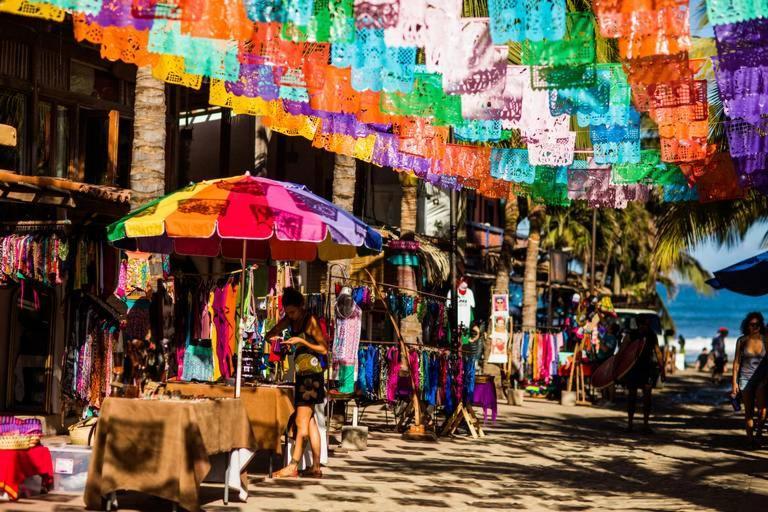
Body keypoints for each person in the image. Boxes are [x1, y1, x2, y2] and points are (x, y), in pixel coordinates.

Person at [267, 287, 329, 478]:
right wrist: (274, 339)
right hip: (302, 375)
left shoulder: (310, 321)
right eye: (288, 312)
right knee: (311, 422)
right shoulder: (290, 320)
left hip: (312, 376)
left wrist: (301, 343)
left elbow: (324, 349)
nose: (291, 316)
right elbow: (270, 333)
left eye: (293, 312)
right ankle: (316, 468)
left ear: (301, 306)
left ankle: (293, 465)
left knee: (301, 423)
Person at [622, 316, 665, 433]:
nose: (645, 327)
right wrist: (618, 369)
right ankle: (630, 424)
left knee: (647, 398)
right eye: (643, 324)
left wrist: (662, 369)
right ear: (638, 324)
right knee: (632, 397)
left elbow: (658, 352)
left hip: (647, 369)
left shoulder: (652, 335)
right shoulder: (631, 335)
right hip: (633, 369)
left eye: (647, 325)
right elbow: (622, 352)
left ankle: (645, 424)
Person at [730, 312, 768, 447]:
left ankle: (758, 435)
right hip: (745, 379)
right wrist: (734, 383)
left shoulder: (765, 340)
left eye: (758, 324)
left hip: (761, 380)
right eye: (752, 325)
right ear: (747, 326)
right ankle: (751, 439)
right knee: (749, 411)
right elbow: (736, 363)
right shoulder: (742, 340)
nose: (755, 327)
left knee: (763, 411)